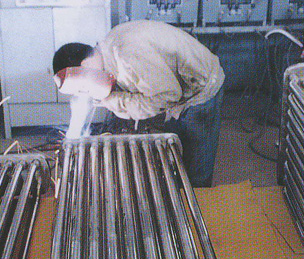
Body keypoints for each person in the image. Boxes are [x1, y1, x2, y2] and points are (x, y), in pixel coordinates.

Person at [52, 20, 225, 187]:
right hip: (179, 90)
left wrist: (114, 101)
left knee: (196, 168)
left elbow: (168, 96)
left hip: (202, 89)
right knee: (176, 155)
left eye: (83, 88)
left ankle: (199, 198)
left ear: (86, 64)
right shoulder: (109, 46)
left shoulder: (127, 56)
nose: (87, 92)